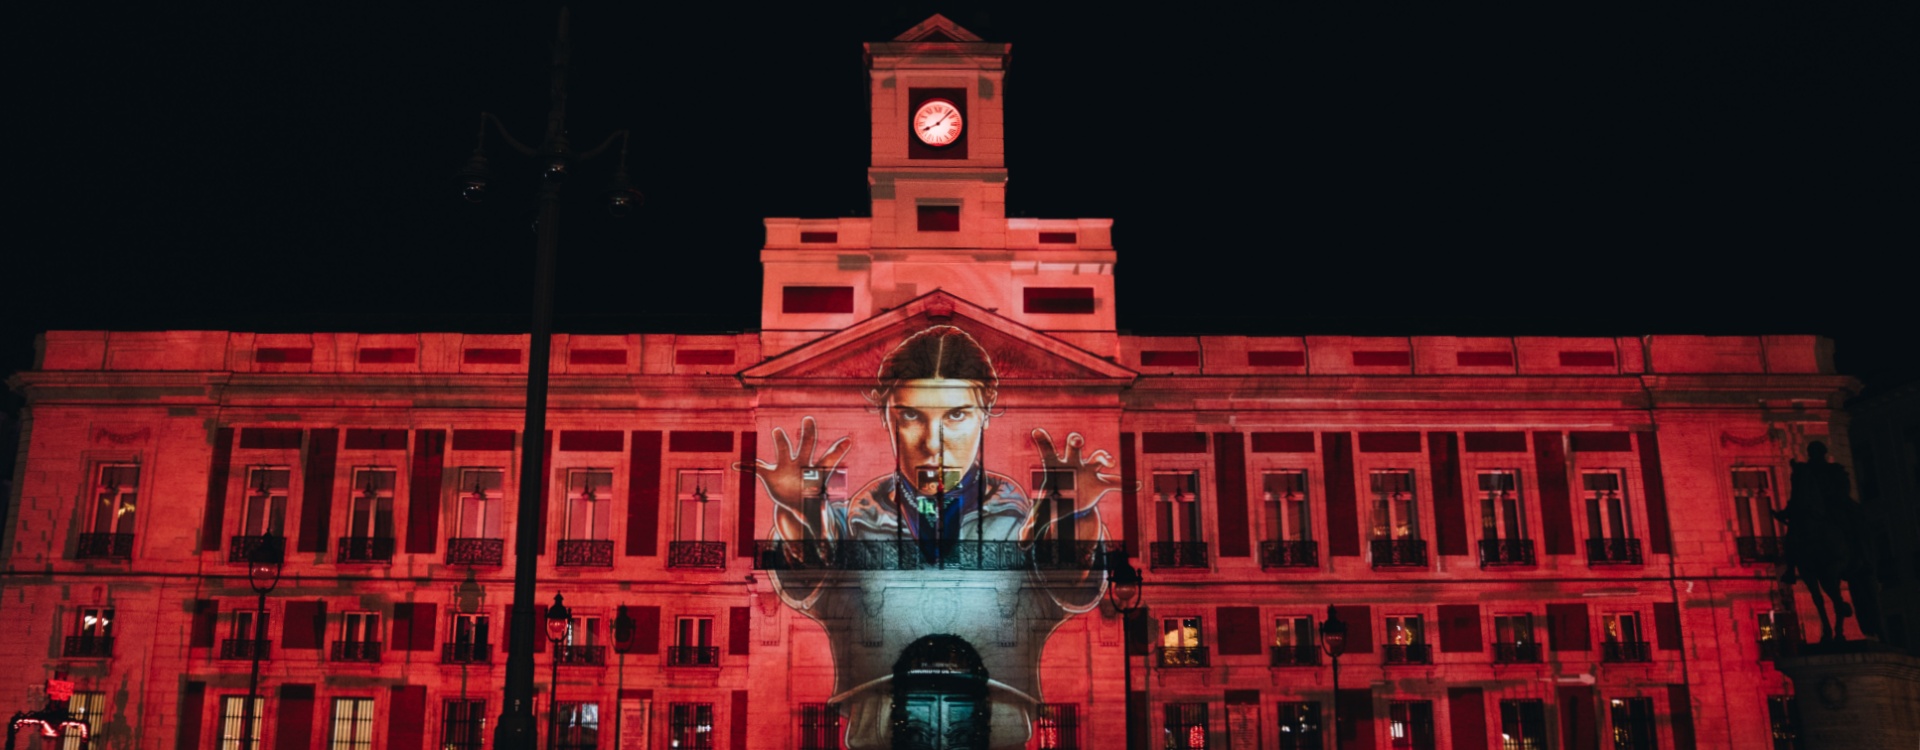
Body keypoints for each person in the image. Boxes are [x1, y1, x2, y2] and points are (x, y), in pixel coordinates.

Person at [752, 325, 1117, 749]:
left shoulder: (1017, 531)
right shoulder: (858, 530)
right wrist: (803, 508)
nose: (932, 443)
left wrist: (1073, 514)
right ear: (887, 417)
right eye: (911, 415)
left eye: (957, 415)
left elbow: (1066, 580)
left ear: (987, 412)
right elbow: (811, 573)